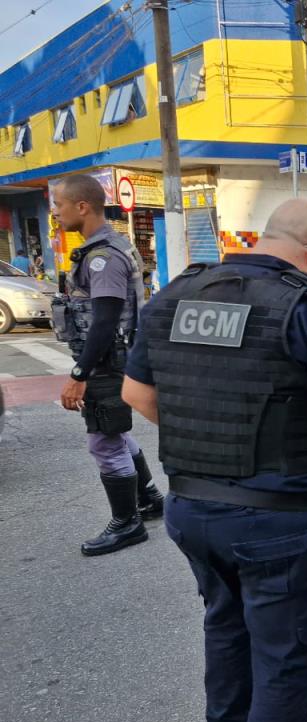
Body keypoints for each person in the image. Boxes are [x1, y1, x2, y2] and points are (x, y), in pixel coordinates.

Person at [121, 198, 307, 722]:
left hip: (192, 510)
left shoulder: (174, 296)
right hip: (278, 521)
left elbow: (137, 396)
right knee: (285, 657)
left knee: (226, 627)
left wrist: (214, 435)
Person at [50, 174, 164, 557]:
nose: (55, 212)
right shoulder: (106, 248)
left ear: (82, 206)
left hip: (105, 363)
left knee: (103, 439)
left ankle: (126, 523)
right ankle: (147, 498)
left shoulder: (102, 257)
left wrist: (79, 375)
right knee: (115, 433)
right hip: (114, 361)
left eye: (59, 205)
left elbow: (104, 320)